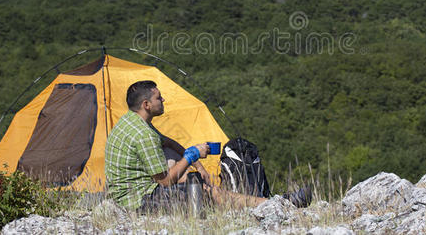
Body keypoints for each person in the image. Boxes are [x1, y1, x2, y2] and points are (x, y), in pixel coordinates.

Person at [105, 80, 310, 212]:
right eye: (159, 97)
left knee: (187, 173)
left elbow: (167, 142)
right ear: (146, 105)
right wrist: (193, 156)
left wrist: (198, 167)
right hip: (138, 201)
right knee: (206, 192)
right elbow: (166, 182)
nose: (163, 99)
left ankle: (264, 202)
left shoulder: (131, 121)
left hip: (130, 190)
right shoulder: (143, 135)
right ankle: (276, 204)